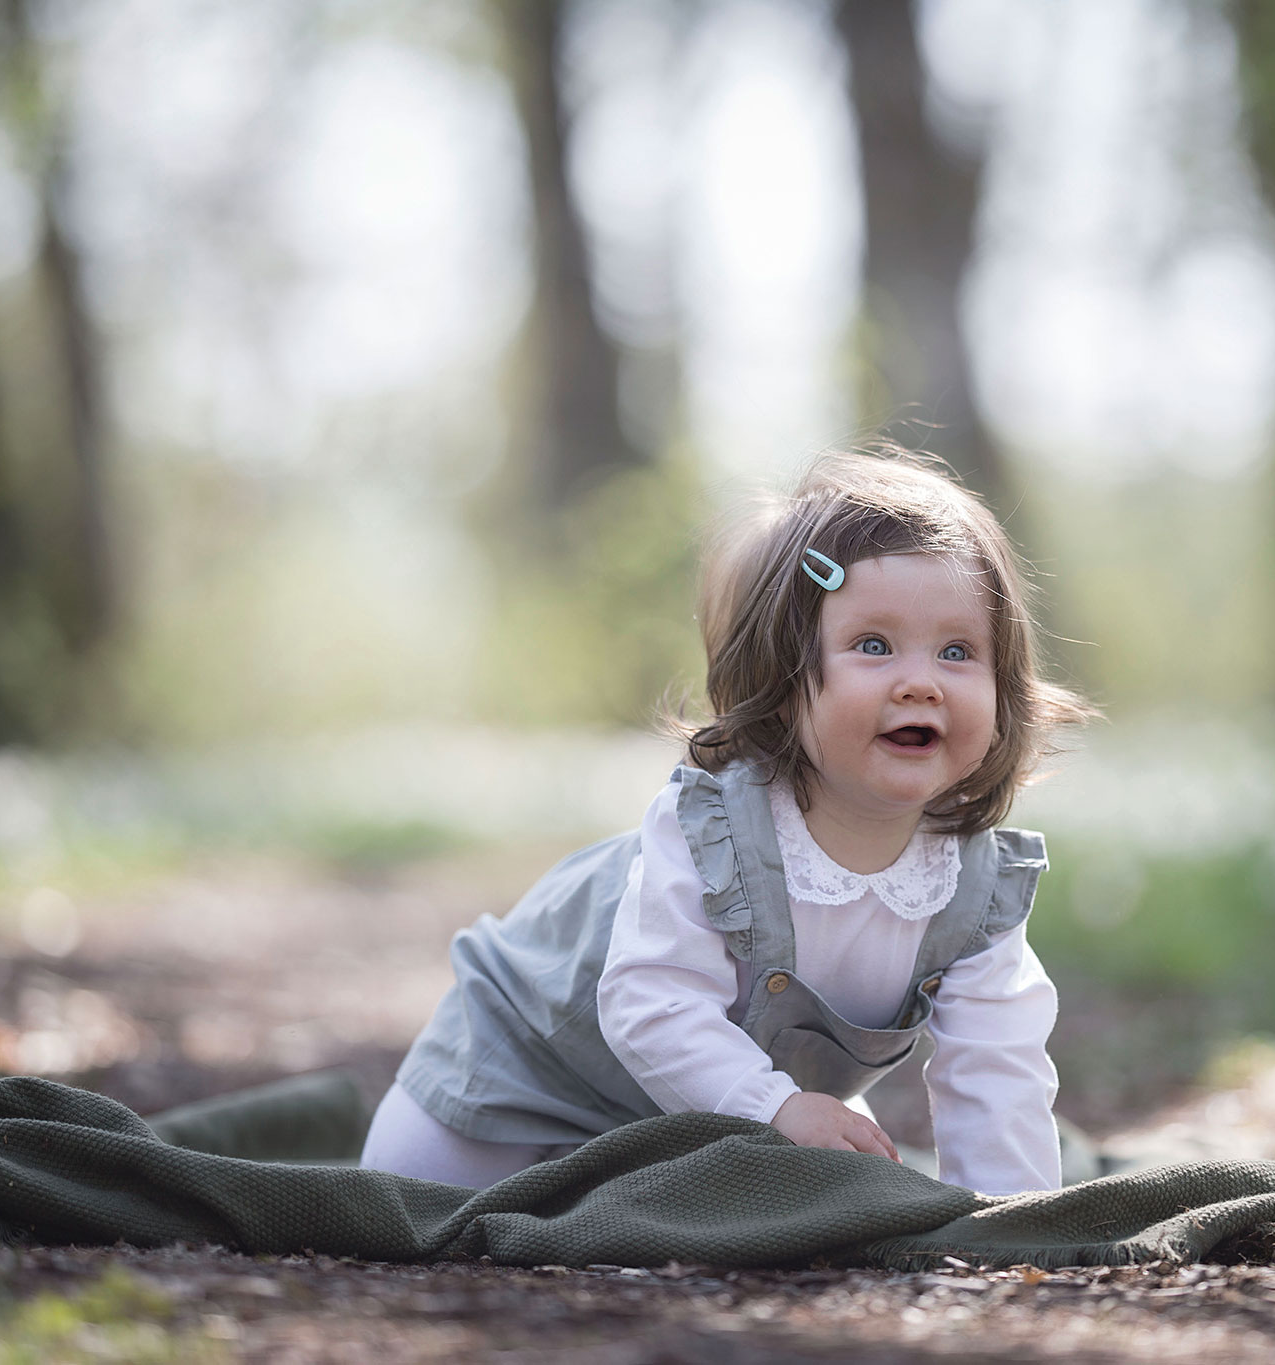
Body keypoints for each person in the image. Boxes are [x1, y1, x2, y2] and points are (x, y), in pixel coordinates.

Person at [360, 452, 1094, 1195]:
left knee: (822, 1198)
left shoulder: (968, 886)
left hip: (721, 1102)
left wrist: (1016, 1220)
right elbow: (652, 999)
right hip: (531, 1066)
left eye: (958, 651)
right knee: (403, 1197)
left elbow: (996, 1062)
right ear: (781, 683)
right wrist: (772, 1103)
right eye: (873, 644)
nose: (921, 681)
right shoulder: (714, 828)